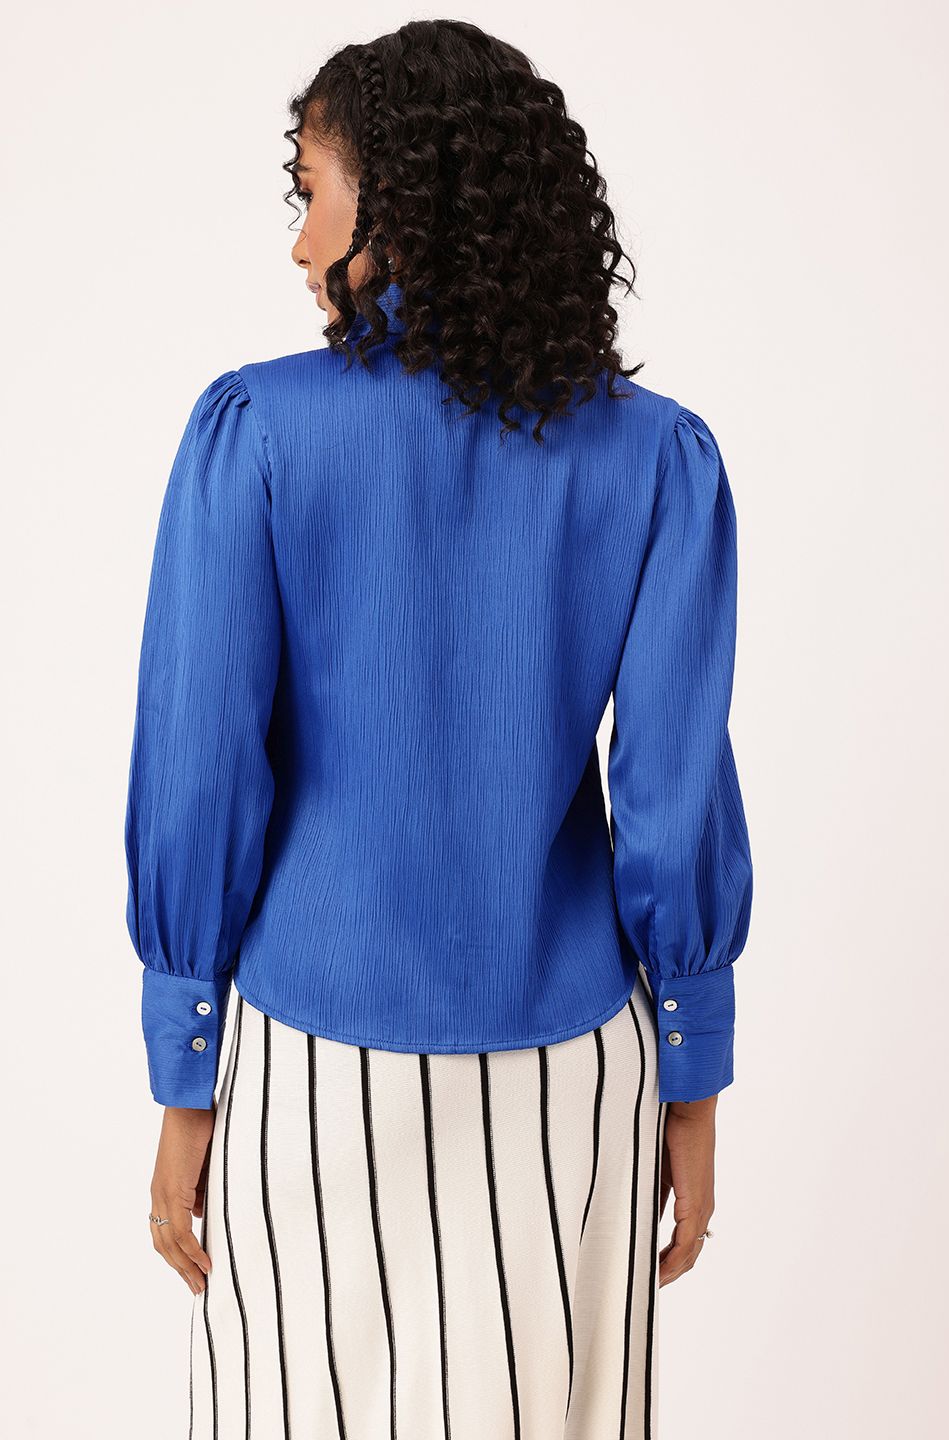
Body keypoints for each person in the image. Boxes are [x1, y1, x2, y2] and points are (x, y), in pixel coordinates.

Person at [123, 18, 753, 1439]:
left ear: (396, 212)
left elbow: (199, 777)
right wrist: (694, 1075)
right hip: (572, 1073)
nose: (299, 246)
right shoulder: (657, 459)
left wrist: (183, 1073)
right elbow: (673, 797)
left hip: (310, 1063)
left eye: (312, 196)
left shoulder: (256, 435)